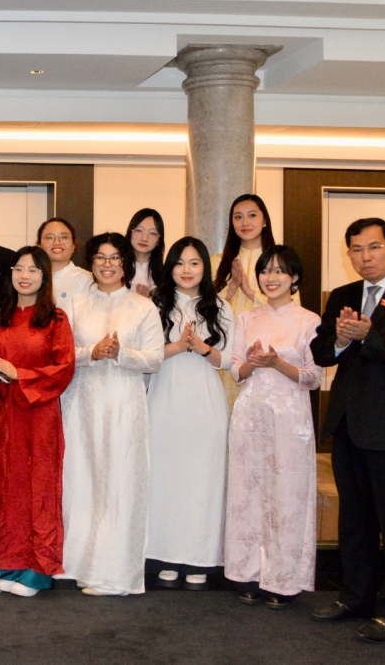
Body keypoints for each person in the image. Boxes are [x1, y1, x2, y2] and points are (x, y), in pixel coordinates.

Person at [310, 219, 385, 643]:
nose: (365, 257)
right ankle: (355, 597)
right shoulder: (343, 297)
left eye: (374, 247)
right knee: (355, 520)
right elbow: (322, 351)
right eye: (356, 250)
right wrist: (343, 341)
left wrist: (369, 334)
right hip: (349, 425)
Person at [60, 232, 164, 596]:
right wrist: (93, 351)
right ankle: (76, 563)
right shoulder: (74, 303)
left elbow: (155, 358)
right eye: (100, 257)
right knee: (81, 478)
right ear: (91, 263)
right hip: (82, 402)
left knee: (119, 480)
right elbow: (63, 353)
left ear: (126, 263)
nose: (107, 264)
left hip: (123, 402)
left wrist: (120, 353)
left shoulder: (142, 307)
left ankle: (114, 573)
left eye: (114, 258)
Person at [223, 245, 321, 610]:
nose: (271, 277)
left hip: (290, 418)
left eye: (280, 271)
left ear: (294, 278)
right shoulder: (248, 318)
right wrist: (252, 363)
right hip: (250, 416)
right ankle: (247, 572)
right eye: (265, 271)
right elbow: (235, 369)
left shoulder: (309, 320)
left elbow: (313, 378)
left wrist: (277, 362)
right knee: (248, 493)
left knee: (286, 493)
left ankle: (283, 578)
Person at [146, 237, 234, 591]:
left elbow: (229, 360)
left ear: (205, 269)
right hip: (164, 398)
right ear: (170, 267)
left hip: (204, 401)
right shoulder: (155, 304)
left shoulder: (221, 306)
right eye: (180, 263)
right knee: (166, 477)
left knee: (202, 480)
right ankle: (166, 555)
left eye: (194, 263)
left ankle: (198, 558)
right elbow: (146, 354)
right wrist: (178, 346)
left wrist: (200, 348)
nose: (186, 270)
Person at [0, 246, 75, 597]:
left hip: (40, 413)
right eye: (18, 269)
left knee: (39, 484)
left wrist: (18, 374)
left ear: (44, 276)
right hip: (5, 413)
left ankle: (38, 568)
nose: (24, 275)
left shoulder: (56, 319)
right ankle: (6, 560)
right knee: (6, 484)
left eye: (33, 270)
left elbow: (64, 368)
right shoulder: (0, 316)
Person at [212, 193, 287, 408]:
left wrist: (250, 292)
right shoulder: (218, 262)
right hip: (226, 356)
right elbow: (204, 310)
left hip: (267, 356)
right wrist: (232, 288)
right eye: (238, 217)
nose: (245, 222)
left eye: (252, 215)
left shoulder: (280, 261)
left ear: (264, 221)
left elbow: (293, 311)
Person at [36, 218, 94, 309]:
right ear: (38, 246)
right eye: (49, 237)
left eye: (64, 237)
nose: (57, 242)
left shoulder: (87, 280)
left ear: (74, 245)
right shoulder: (28, 278)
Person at [126, 208, 164, 298]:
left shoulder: (165, 275)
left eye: (152, 233)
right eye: (139, 231)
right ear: (130, 233)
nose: (144, 238)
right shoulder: (117, 268)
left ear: (159, 240)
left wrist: (149, 299)